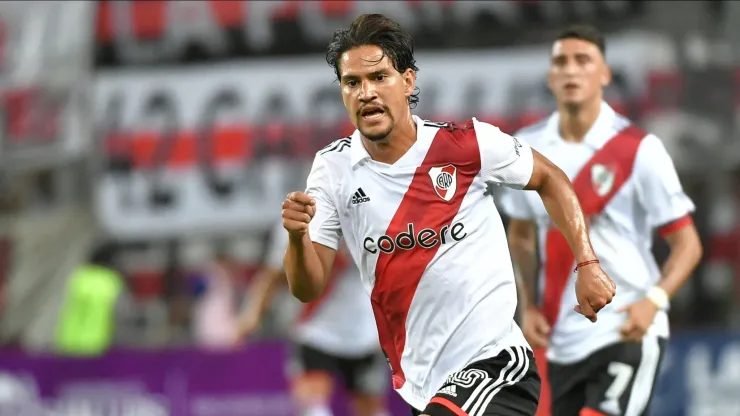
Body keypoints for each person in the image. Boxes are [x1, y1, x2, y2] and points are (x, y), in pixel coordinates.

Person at [281, 14, 617, 416]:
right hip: (421, 384)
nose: (366, 93)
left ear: (408, 82)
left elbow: (551, 179)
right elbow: (306, 287)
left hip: (496, 365)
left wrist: (588, 262)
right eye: (352, 83)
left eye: (379, 78)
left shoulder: (466, 146)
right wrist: (298, 237)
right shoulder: (332, 169)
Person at [498, 25, 703, 416]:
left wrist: (654, 302)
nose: (571, 70)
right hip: (561, 340)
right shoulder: (526, 149)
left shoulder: (639, 149)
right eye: (561, 62)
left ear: (604, 74)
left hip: (628, 326)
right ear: (550, 76)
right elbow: (521, 235)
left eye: (583, 61)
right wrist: (527, 306)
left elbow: (688, 244)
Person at [235, 221, 390, 416]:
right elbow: (274, 274)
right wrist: (251, 316)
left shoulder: (368, 215)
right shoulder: (300, 220)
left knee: (372, 410)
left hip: (364, 335)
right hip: (315, 332)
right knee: (314, 409)